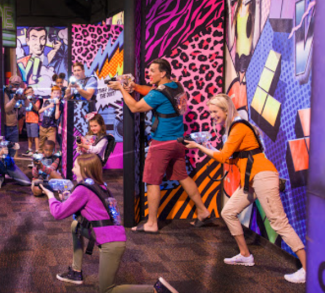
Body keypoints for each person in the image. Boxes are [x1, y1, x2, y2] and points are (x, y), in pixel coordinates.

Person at [184, 94, 306, 284]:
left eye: (215, 112)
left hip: (262, 176)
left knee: (279, 223)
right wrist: (208, 147)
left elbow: (224, 157)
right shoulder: (236, 127)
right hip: (251, 180)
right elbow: (234, 159)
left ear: (225, 110)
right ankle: (245, 254)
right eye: (211, 112)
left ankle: (307, 269)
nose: (212, 115)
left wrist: (200, 148)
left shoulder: (238, 127)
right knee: (229, 212)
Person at [40, 153, 178, 293]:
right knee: (76, 225)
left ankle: (156, 290)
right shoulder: (100, 185)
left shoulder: (82, 189)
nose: (72, 170)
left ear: (85, 170)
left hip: (111, 243)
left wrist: (51, 196)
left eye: (75, 167)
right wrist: (69, 199)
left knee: (107, 290)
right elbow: (91, 209)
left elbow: (58, 213)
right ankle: (76, 272)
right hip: (112, 235)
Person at [108, 58, 211, 233]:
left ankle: (151, 223)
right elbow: (156, 92)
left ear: (162, 73)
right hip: (178, 142)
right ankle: (203, 211)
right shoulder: (176, 86)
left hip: (162, 143)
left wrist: (121, 90)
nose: (149, 73)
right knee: (183, 176)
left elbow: (135, 107)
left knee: (151, 181)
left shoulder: (158, 94)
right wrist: (133, 88)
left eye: (152, 71)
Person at [4, 75, 25, 158]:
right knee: (5, 151)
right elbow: (6, 109)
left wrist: (25, 98)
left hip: (14, 126)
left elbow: (26, 106)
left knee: (13, 151)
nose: (15, 87)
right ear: (9, 83)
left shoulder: (17, 92)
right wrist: (14, 99)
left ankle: (10, 167)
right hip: (5, 126)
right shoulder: (5, 92)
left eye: (18, 85)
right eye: (14, 84)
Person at [39, 86, 62, 150]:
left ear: (60, 94)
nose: (56, 95)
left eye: (58, 93)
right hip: (43, 126)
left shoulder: (60, 104)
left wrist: (57, 105)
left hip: (51, 127)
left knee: (51, 145)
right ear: (51, 93)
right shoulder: (47, 101)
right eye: (54, 93)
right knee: (41, 145)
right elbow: (40, 111)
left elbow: (56, 117)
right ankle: (40, 158)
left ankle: (52, 159)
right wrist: (48, 106)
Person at [22, 87, 41, 157]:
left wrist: (32, 101)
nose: (29, 94)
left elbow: (37, 108)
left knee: (35, 136)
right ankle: (29, 150)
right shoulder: (25, 100)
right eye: (27, 93)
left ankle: (37, 151)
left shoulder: (36, 100)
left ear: (33, 92)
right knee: (29, 136)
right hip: (27, 120)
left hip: (34, 120)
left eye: (30, 92)